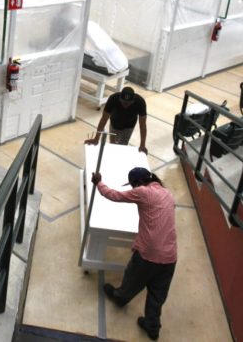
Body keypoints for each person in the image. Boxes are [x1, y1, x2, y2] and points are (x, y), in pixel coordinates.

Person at [91, 167, 177, 341]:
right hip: (170, 256)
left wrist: (98, 182)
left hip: (149, 253)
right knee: (157, 293)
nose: (132, 189)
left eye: (132, 185)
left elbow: (113, 195)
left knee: (133, 277)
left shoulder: (142, 192)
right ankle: (153, 327)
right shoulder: (167, 193)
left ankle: (120, 297)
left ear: (137, 183)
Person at [85, 86, 147, 153]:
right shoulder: (113, 98)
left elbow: (143, 126)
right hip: (114, 124)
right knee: (113, 146)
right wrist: (96, 138)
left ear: (133, 101)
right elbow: (103, 120)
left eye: (128, 103)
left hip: (129, 126)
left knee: (122, 148)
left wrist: (142, 145)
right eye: (123, 102)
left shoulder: (140, 102)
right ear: (119, 99)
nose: (125, 105)